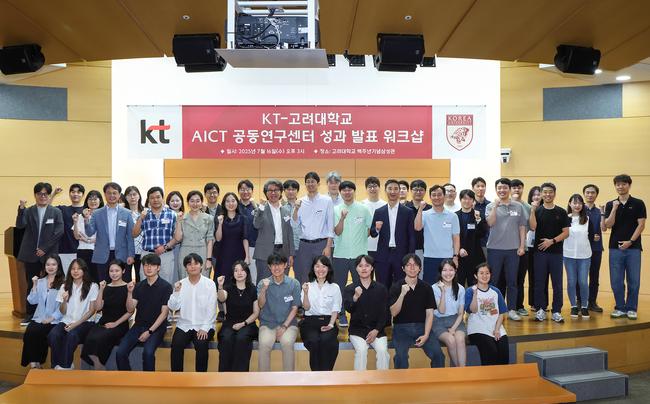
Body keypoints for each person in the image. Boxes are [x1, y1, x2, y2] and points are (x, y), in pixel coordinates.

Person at [16, 182, 64, 324]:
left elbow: (59, 232)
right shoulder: (29, 210)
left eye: (45, 194)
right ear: (35, 195)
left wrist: (44, 248)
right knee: (32, 284)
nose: (42, 196)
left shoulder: (56, 212)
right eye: (39, 194)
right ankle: (30, 314)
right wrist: (21, 209)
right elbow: (20, 225)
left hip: (49, 256)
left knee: (51, 285)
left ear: (49, 195)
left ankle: (51, 314)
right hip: (30, 255)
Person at [115, 253, 173, 371]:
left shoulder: (166, 287)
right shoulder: (139, 286)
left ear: (158, 268)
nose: (148, 268)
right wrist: (129, 293)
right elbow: (130, 309)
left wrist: (150, 331)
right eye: (146, 265)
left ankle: (149, 380)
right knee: (120, 352)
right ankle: (127, 377)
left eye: (152, 265)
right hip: (138, 325)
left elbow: (164, 314)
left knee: (148, 353)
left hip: (156, 328)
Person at [389, 254, 444, 369]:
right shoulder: (396, 287)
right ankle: (401, 380)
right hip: (401, 328)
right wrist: (402, 295)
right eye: (408, 265)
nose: (412, 268)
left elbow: (430, 314)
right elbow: (393, 313)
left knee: (439, 355)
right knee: (400, 357)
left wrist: (426, 334)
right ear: (403, 268)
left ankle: (437, 379)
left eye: (415, 265)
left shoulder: (426, 287)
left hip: (422, 326)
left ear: (420, 268)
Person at [604, 174, 646, 319]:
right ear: (615, 186)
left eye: (623, 184)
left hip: (633, 248)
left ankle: (631, 308)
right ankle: (620, 307)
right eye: (618, 184)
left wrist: (630, 241)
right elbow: (608, 225)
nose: (620, 187)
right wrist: (614, 209)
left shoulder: (638, 203)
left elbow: (641, 225)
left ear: (629, 185)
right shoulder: (611, 204)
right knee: (616, 280)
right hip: (615, 248)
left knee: (633, 280)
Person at [485, 178, 526, 321]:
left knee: (512, 281)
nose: (502, 190)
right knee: (493, 281)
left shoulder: (518, 206)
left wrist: (522, 246)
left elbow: (522, 227)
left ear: (509, 189)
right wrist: (496, 206)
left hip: (513, 250)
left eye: (504, 188)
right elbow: (490, 223)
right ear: (496, 189)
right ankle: (493, 309)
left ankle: (512, 309)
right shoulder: (490, 206)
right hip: (494, 249)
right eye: (499, 188)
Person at [168, 253, 217, 372]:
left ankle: (200, 377)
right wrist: (176, 292)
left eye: (196, 263)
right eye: (189, 264)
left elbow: (211, 308)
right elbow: (173, 307)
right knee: (176, 345)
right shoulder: (180, 284)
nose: (193, 266)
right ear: (186, 268)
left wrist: (205, 328)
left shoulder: (209, 284)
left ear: (201, 266)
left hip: (204, 325)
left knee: (201, 344)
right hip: (184, 324)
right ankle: (176, 377)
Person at [333, 180, 372, 326]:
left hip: (359, 256)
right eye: (344, 190)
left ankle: (359, 314)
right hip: (340, 255)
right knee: (339, 287)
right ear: (340, 192)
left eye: (350, 189)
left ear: (354, 192)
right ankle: (342, 314)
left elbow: (370, 229)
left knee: (360, 286)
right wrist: (342, 218)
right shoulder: (336, 209)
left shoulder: (364, 209)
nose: (347, 192)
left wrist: (360, 240)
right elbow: (337, 231)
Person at [530, 182, 570, 323]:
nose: (548, 194)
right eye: (545, 192)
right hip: (539, 253)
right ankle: (540, 309)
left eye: (550, 192)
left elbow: (566, 233)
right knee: (539, 282)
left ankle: (557, 311)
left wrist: (551, 241)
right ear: (541, 194)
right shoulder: (537, 211)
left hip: (556, 253)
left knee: (557, 283)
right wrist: (532, 210)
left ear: (554, 193)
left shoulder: (561, 212)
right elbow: (532, 227)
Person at [48, 258, 98, 369]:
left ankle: (66, 366)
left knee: (72, 335)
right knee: (53, 335)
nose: (75, 271)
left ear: (84, 270)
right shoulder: (64, 286)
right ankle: (55, 365)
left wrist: (75, 324)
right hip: (67, 320)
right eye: (73, 269)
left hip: (85, 322)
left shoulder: (93, 286)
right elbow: (62, 311)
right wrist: (64, 300)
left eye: (79, 269)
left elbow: (92, 310)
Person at [81, 260, 132, 369]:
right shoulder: (106, 287)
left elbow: (130, 311)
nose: (114, 273)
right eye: (111, 271)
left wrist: (115, 323)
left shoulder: (128, 287)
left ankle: (99, 366)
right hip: (104, 321)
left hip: (120, 324)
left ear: (123, 271)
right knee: (90, 338)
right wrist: (101, 290)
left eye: (117, 271)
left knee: (102, 337)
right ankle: (98, 365)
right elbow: (98, 308)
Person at [343, 255, 390, 370]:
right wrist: (355, 297)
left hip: (377, 330)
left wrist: (376, 330)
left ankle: (382, 380)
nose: (364, 268)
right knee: (361, 350)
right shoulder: (350, 288)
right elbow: (348, 309)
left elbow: (385, 313)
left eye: (367, 265)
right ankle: (360, 380)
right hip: (357, 330)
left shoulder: (381, 288)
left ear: (372, 268)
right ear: (356, 268)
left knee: (383, 351)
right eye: (360, 266)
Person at [83, 182, 135, 283]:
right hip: (102, 255)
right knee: (103, 285)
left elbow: (130, 236)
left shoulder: (127, 213)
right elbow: (89, 233)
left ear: (119, 195)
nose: (112, 195)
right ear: (105, 194)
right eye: (109, 193)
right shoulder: (97, 213)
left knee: (123, 285)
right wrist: (86, 220)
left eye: (114, 193)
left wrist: (131, 255)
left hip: (122, 255)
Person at [257, 253, 301, 371]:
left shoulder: (294, 283)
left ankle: (288, 378)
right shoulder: (262, 283)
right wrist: (264, 290)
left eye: (280, 264)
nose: (276, 268)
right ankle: (263, 378)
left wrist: (284, 326)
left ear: (285, 265)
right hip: (267, 324)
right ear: (269, 267)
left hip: (288, 324)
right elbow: (260, 305)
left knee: (287, 343)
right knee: (264, 344)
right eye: (273, 265)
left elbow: (295, 308)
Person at [370, 179, 416, 290]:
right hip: (383, 254)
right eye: (390, 189)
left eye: (396, 189)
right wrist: (377, 229)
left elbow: (411, 236)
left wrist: (411, 256)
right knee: (382, 286)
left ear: (399, 191)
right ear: (385, 191)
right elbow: (373, 233)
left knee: (401, 285)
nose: (393, 191)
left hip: (401, 254)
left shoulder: (408, 212)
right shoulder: (379, 211)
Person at [20, 254, 64, 368]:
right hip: (39, 317)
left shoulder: (63, 283)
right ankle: (34, 363)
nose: (50, 267)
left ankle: (37, 361)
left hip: (55, 319)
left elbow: (64, 306)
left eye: (53, 264)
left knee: (39, 332)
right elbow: (32, 301)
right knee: (29, 332)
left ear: (58, 266)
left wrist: (52, 318)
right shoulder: (40, 281)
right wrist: (34, 285)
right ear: (44, 266)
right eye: (48, 264)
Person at [300, 255, 342, 371]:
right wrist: (306, 293)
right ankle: (316, 373)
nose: (320, 269)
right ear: (313, 268)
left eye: (324, 266)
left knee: (327, 340)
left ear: (328, 269)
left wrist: (331, 324)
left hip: (329, 320)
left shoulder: (335, 287)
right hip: (310, 322)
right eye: (317, 266)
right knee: (313, 341)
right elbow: (306, 308)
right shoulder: (307, 286)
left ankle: (325, 372)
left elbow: (335, 308)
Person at [292, 172, 335, 284]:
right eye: (308, 182)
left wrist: (328, 246)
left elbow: (330, 225)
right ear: (305, 184)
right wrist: (296, 209)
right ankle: (305, 296)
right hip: (304, 245)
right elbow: (295, 224)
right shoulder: (300, 202)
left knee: (324, 274)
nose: (310, 184)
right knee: (305, 275)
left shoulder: (327, 200)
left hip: (321, 244)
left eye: (313, 181)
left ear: (318, 183)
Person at [217, 261, 259, 372]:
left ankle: (240, 375)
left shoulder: (252, 289)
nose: (239, 273)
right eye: (236, 270)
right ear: (233, 273)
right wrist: (220, 286)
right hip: (230, 323)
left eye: (242, 270)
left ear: (247, 272)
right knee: (226, 338)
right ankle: (225, 375)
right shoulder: (228, 287)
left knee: (241, 338)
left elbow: (256, 312)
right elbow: (221, 298)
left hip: (247, 323)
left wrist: (243, 323)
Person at [414, 185, 460, 285]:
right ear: (430, 197)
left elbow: (456, 238)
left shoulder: (453, 216)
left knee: (448, 285)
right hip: (429, 257)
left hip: (447, 257)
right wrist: (420, 209)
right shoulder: (425, 214)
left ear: (444, 196)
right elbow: (417, 227)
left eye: (439, 194)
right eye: (433, 195)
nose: (436, 197)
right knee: (430, 286)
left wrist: (455, 256)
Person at [465, 263, 509, 366]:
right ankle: (489, 375)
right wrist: (475, 295)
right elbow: (472, 310)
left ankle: (501, 375)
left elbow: (501, 313)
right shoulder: (470, 291)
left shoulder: (496, 291)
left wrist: (497, 329)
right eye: (481, 273)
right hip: (478, 329)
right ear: (476, 275)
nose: (484, 276)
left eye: (487, 273)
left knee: (504, 353)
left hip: (496, 328)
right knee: (491, 352)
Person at [132, 187, 177, 284]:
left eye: (158, 197)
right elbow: (134, 234)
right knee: (145, 284)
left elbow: (177, 237)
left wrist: (165, 247)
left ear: (162, 198)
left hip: (166, 255)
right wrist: (140, 218)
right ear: (148, 200)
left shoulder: (172, 214)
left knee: (166, 284)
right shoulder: (144, 215)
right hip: (147, 255)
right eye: (152, 198)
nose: (155, 200)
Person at [253, 180, 294, 280]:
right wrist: (261, 208)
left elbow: (290, 233)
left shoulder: (286, 211)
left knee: (283, 281)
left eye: (276, 190)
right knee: (264, 281)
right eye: (270, 190)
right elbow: (256, 225)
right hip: (264, 252)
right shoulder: (260, 209)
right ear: (266, 193)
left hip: (283, 251)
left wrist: (291, 254)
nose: (273, 193)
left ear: (281, 192)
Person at [432, 259, 467, 367]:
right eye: (445, 270)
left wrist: (453, 328)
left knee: (460, 340)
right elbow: (441, 311)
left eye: (451, 270)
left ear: (455, 271)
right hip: (438, 321)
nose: (448, 273)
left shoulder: (460, 288)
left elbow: (461, 313)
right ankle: (458, 370)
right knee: (451, 340)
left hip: (456, 320)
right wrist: (443, 292)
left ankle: (462, 370)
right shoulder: (434, 288)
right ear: (440, 272)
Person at [174, 190, 215, 279]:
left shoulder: (209, 218)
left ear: (201, 202)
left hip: (203, 252)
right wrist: (178, 222)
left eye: (197, 201)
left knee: (203, 280)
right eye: (192, 201)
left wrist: (209, 259)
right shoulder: (182, 218)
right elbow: (177, 238)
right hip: (185, 252)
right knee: (185, 280)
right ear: (188, 202)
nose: (195, 204)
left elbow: (210, 240)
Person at [564, 194, 592, 319]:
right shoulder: (565, 218)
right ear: (570, 204)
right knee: (571, 281)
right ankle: (574, 306)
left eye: (580, 203)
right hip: (568, 255)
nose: (577, 205)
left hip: (584, 255)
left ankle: (584, 306)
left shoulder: (587, 219)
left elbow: (593, 235)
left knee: (583, 282)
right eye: (574, 203)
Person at [214, 192, 250, 282]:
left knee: (238, 279)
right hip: (223, 254)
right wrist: (220, 223)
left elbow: (245, 238)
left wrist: (247, 256)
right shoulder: (220, 218)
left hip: (239, 254)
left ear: (237, 202)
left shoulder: (243, 218)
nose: (230, 203)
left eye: (233, 201)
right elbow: (218, 238)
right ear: (224, 203)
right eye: (228, 201)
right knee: (223, 279)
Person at [581, 184, 605, 312]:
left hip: (596, 248)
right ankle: (580, 301)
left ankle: (592, 302)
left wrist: (603, 213)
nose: (590, 195)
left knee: (594, 276)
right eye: (588, 192)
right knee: (581, 277)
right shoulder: (579, 210)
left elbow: (603, 228)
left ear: (596, 195)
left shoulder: (599, 212)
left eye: (593, 193)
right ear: (584, 194)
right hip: (581, 248)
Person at [456, 189, 487, 287]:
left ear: (473, 201)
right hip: (459, 256)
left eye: (470, 199)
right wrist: (459, 249)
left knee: (474, 286)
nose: (467, 201)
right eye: (464, 198)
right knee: (459, 285)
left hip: (475, 256)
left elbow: (482, 234)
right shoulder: (455, 216)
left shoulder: (478, 215)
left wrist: (478, 221)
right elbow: (452, 236)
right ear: (460, 200)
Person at [52, 184, 85, 272]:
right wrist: (53, 194)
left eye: (78, 192)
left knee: (83, 277)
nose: (75, 194)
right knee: (66, 277)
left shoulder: (86, 210)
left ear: (83, 195)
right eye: (73, 192)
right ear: (69, 194)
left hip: (83, 250)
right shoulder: (63, 209)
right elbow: (46, 207)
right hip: (65, 250)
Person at [511, 179, 532, 317]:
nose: (516, 190)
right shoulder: (504, 204)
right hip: (506, 247)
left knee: (520, 279)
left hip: (522, 247)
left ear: (522, 189)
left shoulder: (527, 207)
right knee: (505, 279)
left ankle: (519, 306)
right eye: (514, 188)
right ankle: (505, 306)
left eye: (519, 187)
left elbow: (530, 226)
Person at [73, 190, 103, 282]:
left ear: (100, 201)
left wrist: (87, 240)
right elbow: (77, 236)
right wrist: (75, 222)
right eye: (90, 199)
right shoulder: (80, 216)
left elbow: (104, 237)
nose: (93, 201)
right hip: (83, 251)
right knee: (84, 279)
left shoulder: (104, 216)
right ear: (86, 201)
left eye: (95, 199)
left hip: (98, 251)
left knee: (98, 278)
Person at [405, 179, 431, 268]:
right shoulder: (404, 208)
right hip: (407, 247)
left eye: (421, 190)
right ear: (411, 190)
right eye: (416, 189)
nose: (418, 192)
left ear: (425, 191)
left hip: (425, 248)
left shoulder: (430, 209)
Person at [526, 186, 544, 311]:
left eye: (538, 194)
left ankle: (540, 303)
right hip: (528, 246)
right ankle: (531, 303)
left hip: (541, 245)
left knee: (540, 276)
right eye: (534, 194)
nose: (536, 197)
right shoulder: (526, 208)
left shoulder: (544, 209)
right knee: (531, 275)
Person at [238, 179, 259, 284]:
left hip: (253, 246)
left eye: (248, 189)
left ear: (252, 191)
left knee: (253, 277)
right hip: (237, 246)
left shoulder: (257, 207)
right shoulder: (234, 206)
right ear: (238, 191)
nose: (245, 192)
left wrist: (256, 208)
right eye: (242, 189)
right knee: (238, 275)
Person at [361, 176, 387, 259]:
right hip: (365, 246)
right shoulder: (361, 205)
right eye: (370, 187)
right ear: (366, 189)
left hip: (382, 245)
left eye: (375, 186)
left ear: (379, 188)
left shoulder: (385, 205)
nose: (372, 189)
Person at [124, 186, 145, 282]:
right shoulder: (122, 212)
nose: (132, 197)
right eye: (129, 195)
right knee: (125, 279)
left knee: (140, 279)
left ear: (139, 196)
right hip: (126, 251)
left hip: (142, 251)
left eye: (134, 194)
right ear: (125, 197)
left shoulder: (145, 212)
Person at [166, 190, 185, 280]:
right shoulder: (165, 216)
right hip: (170, 248)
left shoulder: (186, 216)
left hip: (183, 248)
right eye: (172, 201)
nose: (175, 203)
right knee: (172, 274)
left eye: (177, 200)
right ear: (168, 202)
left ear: (182, 202)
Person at [472, 177, 491, 259]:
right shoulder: (469, 205)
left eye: (483, 186)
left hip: (487, 243)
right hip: (472, 243)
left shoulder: (490, 205)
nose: (480, 188)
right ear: (473, 188)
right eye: (478, 186)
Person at [282, 179, 302, 257]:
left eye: (293, 189)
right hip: (286, 246)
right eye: (288, 189)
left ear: (297, 191)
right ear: (284, 191)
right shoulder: (281, 208)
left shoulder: (303, 206)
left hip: (301, 245)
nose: (290, 192)